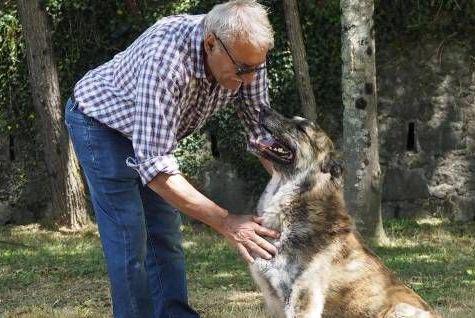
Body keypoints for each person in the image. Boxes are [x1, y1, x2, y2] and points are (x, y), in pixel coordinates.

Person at [64, 1, 279, 317]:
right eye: (243, 70)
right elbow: (154, 165)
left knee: (165, 234)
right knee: (129, 239)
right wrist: (227, 221)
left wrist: (291, 185)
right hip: (101, 126)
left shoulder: (244, 56)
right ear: (211, 44)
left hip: (151, 136)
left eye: (256, 68)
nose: (250, 79)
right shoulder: (166, 60)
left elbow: (260, 131)